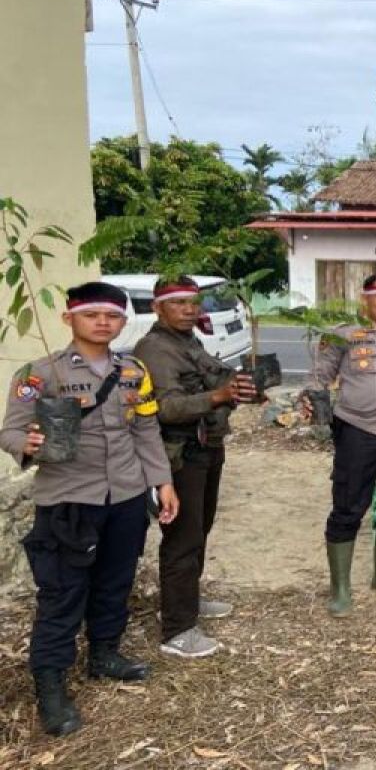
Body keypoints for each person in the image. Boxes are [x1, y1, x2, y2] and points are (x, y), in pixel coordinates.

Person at [0, 281, 180, 737]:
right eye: (92, 314)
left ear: (123, 321)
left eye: (113, 316)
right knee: (61, 595)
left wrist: (163, 482)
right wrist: (31, 444)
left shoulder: (133, 372)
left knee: (114, 582)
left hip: (124, 496)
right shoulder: (41, 373)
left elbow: (145, 430)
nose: (103, 322)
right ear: (69, 319)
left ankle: (104, 654)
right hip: (68, 500)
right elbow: (11, 431)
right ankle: (51, 684)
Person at [132, 276, 258, 659]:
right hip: (180, 454)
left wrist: (238, 390)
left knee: (200, 528)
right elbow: (165, 407)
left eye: (194, 303)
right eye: (180, 304)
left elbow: (213, 382)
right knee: (182, 538)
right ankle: (177, 627)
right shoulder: (154, 349)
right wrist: (217, 396)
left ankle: (188, 597)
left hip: (207, 446)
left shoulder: (188, 341)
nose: (190, 310)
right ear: (158, 308)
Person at [301, 273, 376, 616]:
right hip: (358, 429)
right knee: (348, 505)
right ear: (365, 299)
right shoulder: (341, 335)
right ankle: (340, 588)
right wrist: (312, 401)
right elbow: (317, 379)